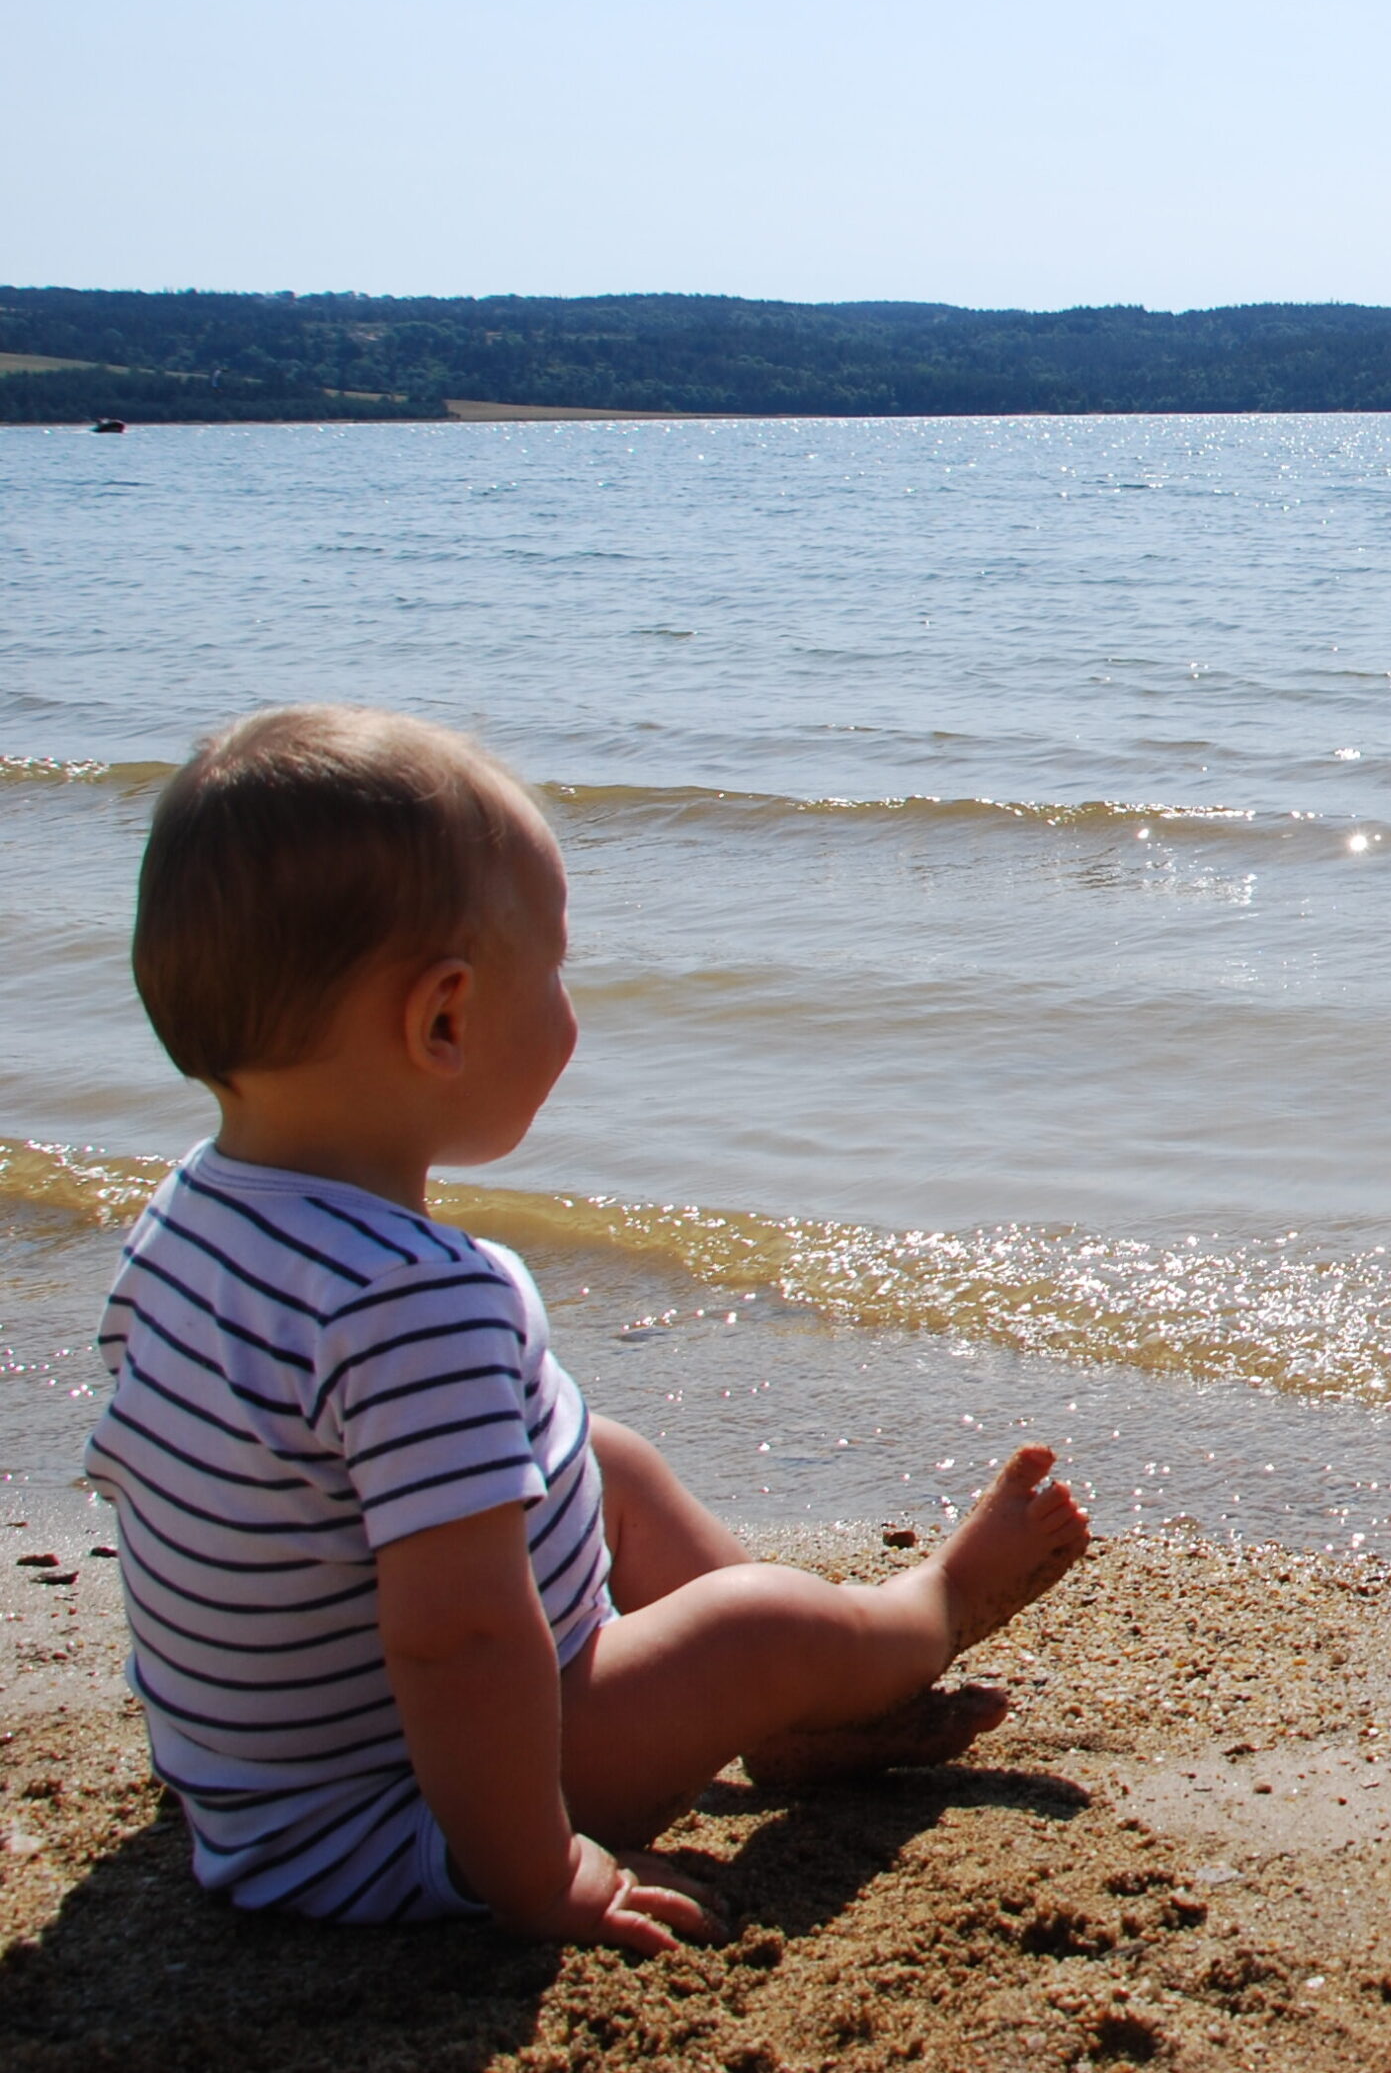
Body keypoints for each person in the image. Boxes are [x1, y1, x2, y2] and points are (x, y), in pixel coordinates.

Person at [84, 705, 1089, 1951]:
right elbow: (456, 1638)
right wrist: (541, 1868)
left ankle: (802, 1720)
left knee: (597, 1456)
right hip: (422, 1812)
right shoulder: (415, 1298)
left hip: (271, 1789)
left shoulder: (194, 1212)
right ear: (443, 1020)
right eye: (552, 968)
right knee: (756, 1622)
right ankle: (920, 1614)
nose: (569, 1003)